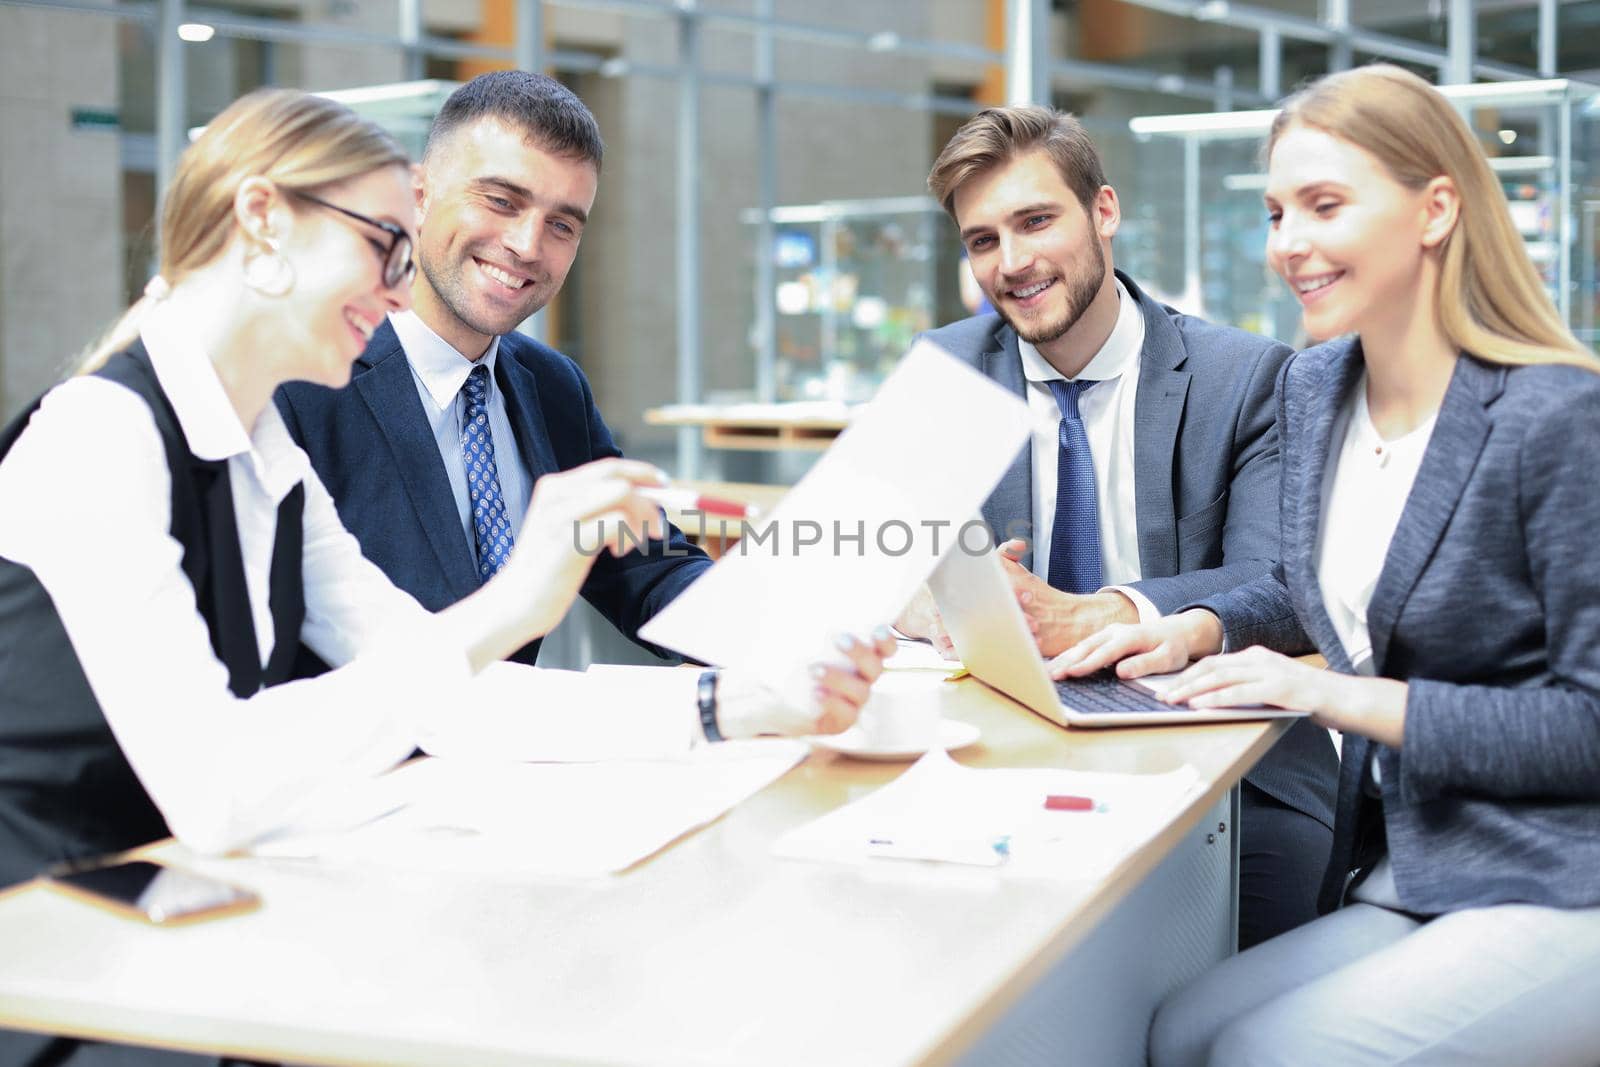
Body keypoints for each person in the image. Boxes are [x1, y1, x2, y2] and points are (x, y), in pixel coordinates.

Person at [0, 88, 891, 1066]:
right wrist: (512, 602)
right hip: (62, 970)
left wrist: (738, 700)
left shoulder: (262, 451)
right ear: (261, 216)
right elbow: (217, 785)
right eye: (386, 243)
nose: (396, 289)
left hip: (195, 937)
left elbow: (442, 696)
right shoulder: (98, 434)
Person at [1047, 65, 1600, 1066]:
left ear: (1435, 207)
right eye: (1272, 212)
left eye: (1323, 204)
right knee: (1177, 1031)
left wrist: (1329, 692)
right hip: (1419, 861)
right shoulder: (1318, 385)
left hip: (1566, 873)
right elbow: (1329, 588)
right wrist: (1195, 626)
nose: (1286, 243)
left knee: (1267, 1054)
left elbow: (1590, 725)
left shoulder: (1554, 417)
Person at [900, 104, 1338, 950]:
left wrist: (1105, 611)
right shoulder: (945, 370)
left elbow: (1283, 582)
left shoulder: (1243, 377)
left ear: (1103, 213)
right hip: (1002, 747)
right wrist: (931, 604)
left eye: (1035, 221)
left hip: (1225, 764)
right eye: (983, 239)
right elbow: (867, 559)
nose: (1013, 261)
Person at [276, 70, 708, 670]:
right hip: (359, 753)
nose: (528, 245)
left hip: (510, 751)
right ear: (417, 197)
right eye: (501, 202)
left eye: (562, 225)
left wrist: (786, 628)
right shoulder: (303, 383)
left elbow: (648, 566)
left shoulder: (553, 386)